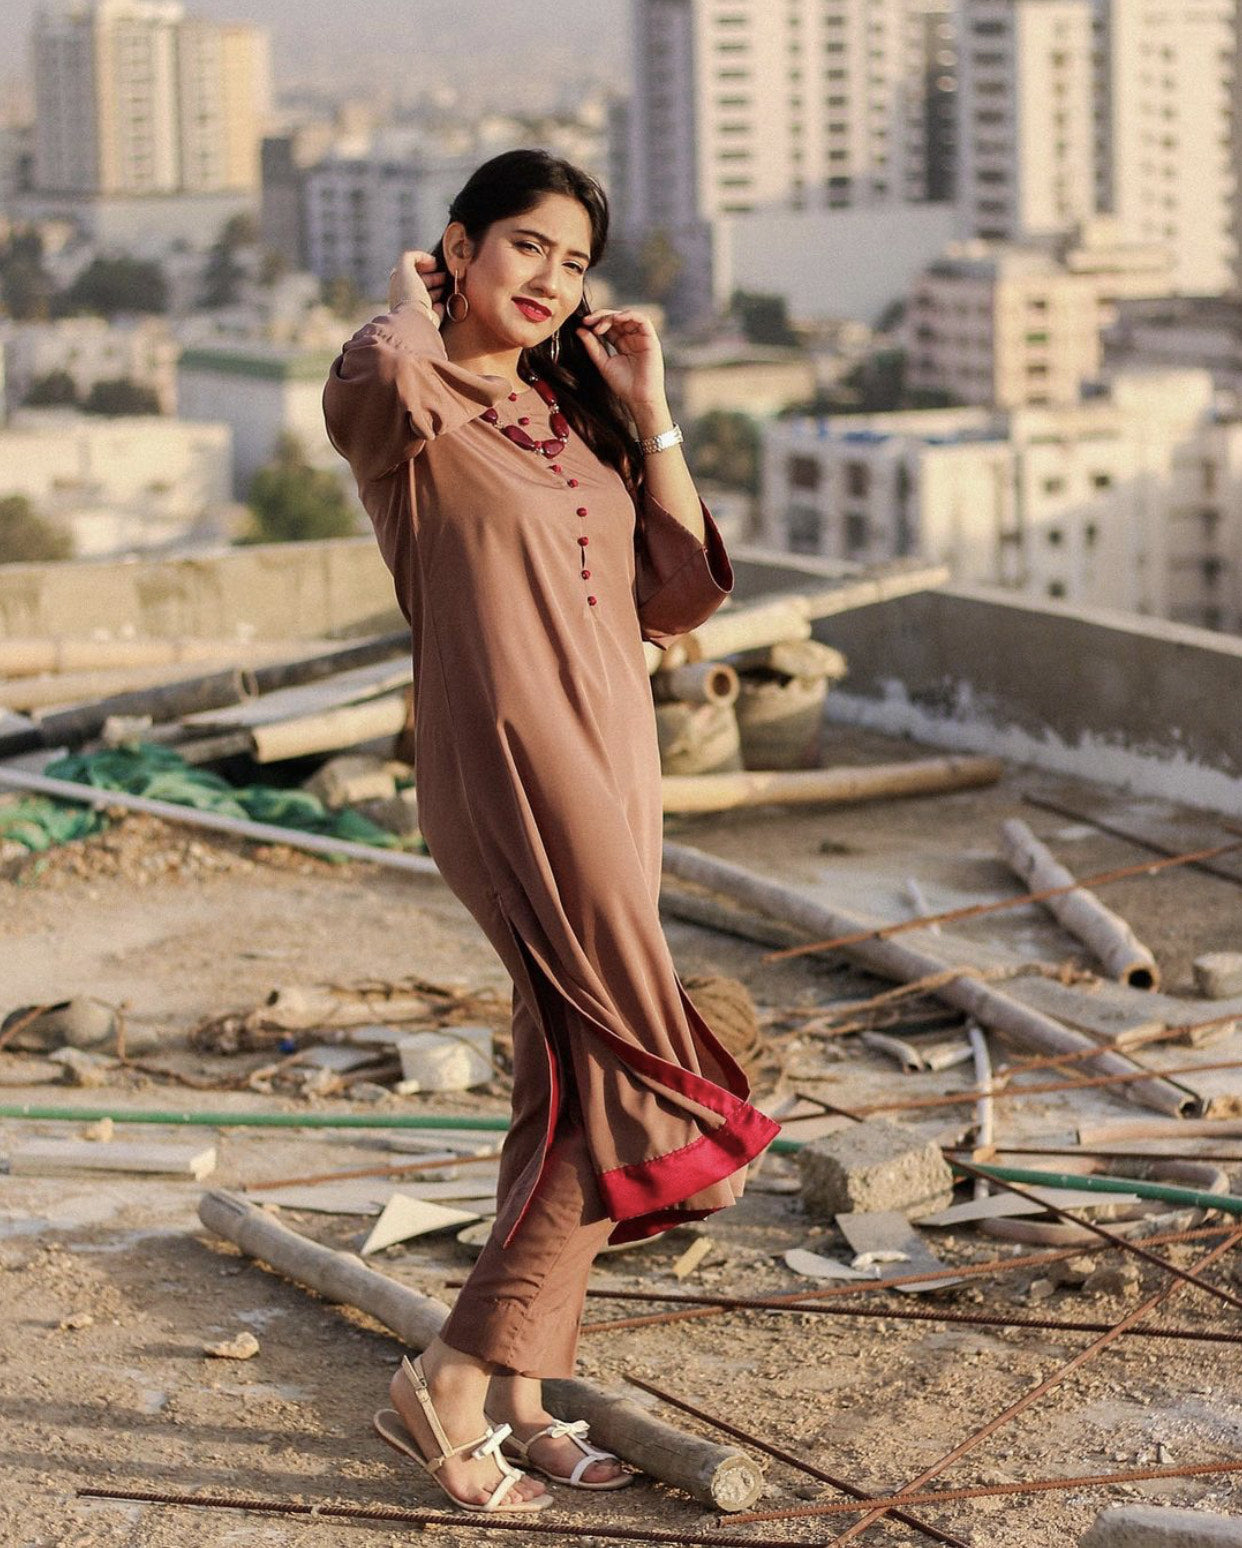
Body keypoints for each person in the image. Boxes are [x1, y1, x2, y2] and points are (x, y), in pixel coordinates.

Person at [322, 148, 779, 1516]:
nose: (549, 280)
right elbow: (389, 371)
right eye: (522, 246)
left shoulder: (566, 416)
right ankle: (453, 1374)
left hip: (616, 760)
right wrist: (411, 294)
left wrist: (652, 414)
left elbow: (679, 591)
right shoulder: (401, 397)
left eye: (573, 262)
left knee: (567, 1074)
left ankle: (520, 1392)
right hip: (516, 758)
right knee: (641, 1067)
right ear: (454, 248)